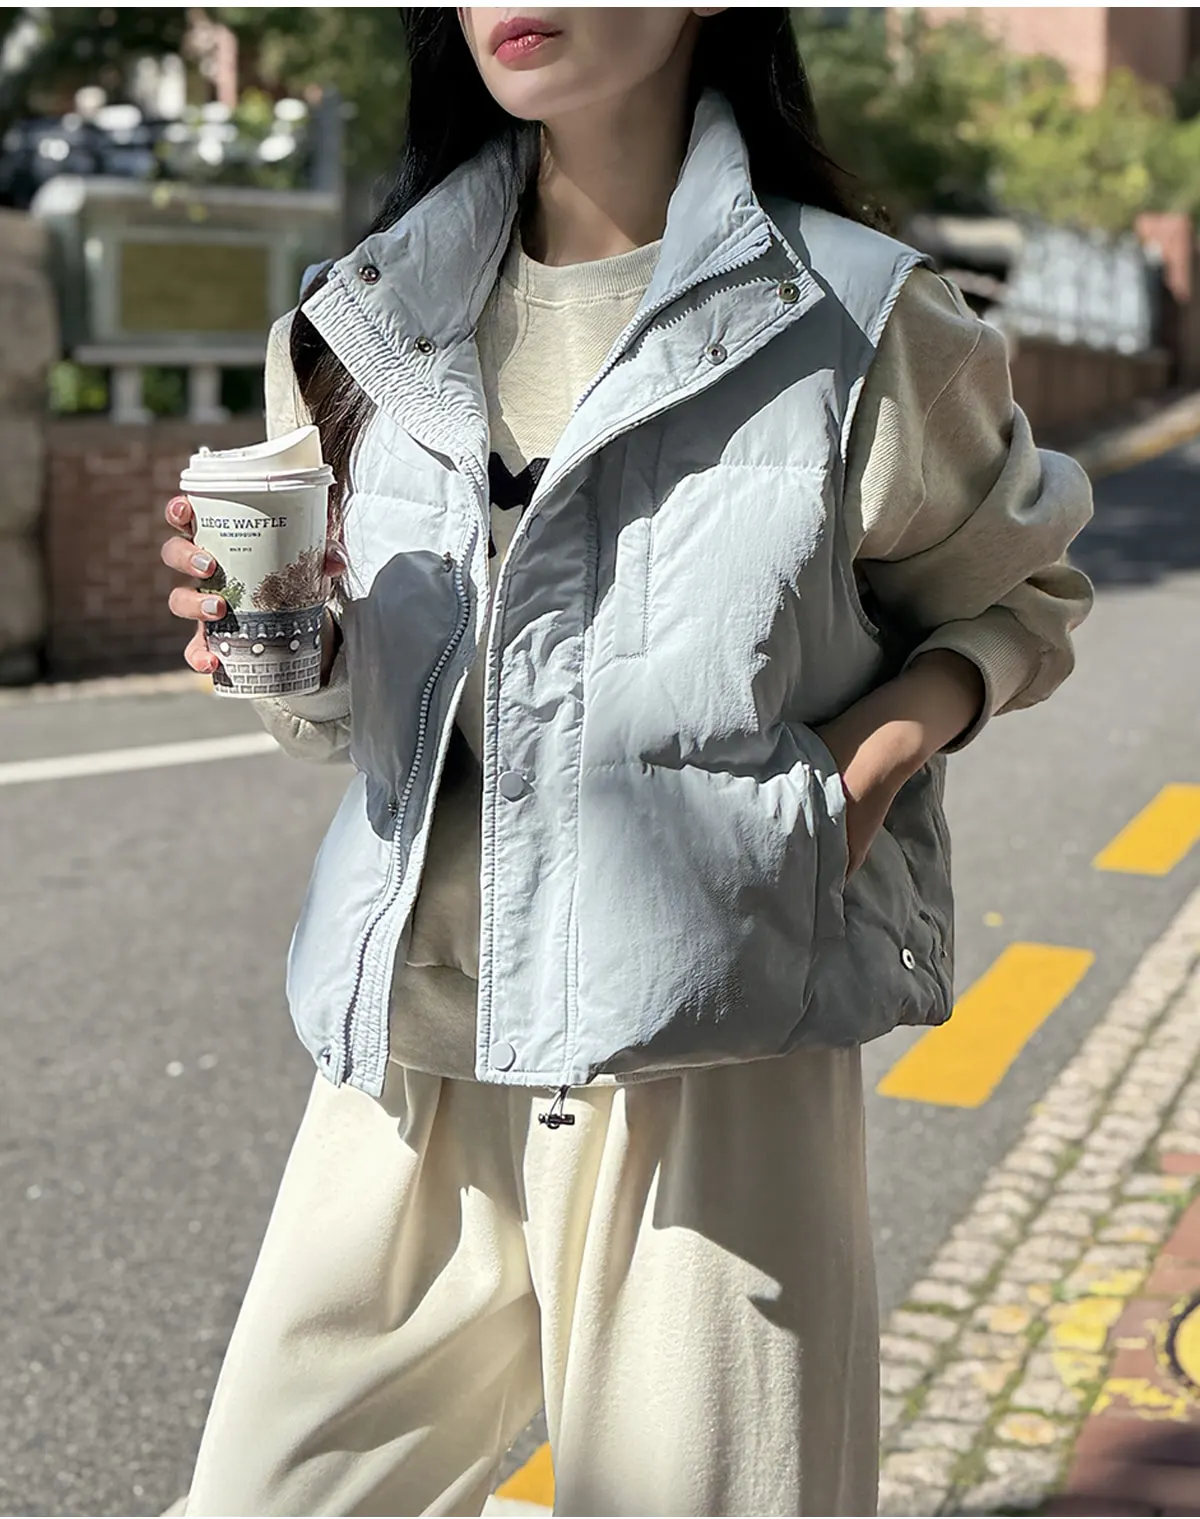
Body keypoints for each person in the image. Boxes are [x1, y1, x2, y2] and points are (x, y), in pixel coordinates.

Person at [159, 9, 1094, 1515]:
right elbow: (343, 724)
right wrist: (295, 650)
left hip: (706, 1055)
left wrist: (858, 774)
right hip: (410, 1058)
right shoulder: (363, 321)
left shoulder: (855, 320)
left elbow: (1018, 595)